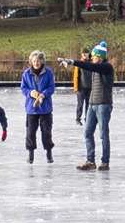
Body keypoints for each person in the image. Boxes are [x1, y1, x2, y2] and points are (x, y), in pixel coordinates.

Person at [62, 42, 114, 170]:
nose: (91, 58)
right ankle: (90, 161)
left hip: (103, 105)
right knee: (87, 132)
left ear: (100, 57)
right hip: (92, 104)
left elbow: (90, 66)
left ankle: (105, 162)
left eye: (94, 56)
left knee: (103, 134)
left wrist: (73, 62)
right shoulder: (95, 67)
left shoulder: (106, 67)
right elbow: (87, 67)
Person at [20, 51, 55, 164]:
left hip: (45, 108)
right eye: (34, 61)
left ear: (42, 61)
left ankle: (49, 152)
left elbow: (51, 87)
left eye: (38, 61)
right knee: (30, 132)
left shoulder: (48, 73)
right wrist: (31, 93)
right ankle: (31, 154)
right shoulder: (26, 74)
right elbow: (23, 88)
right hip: (31, 108)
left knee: (46, 132)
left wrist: (43, 94)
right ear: (31, 62)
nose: (36, 63)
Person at [73, 48, 92, 125]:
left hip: (90, 88)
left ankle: (87, 118)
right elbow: (75, 76)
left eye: (85, 53)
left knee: (89, 104)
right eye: (83, 53)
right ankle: (78, 119)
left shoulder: (92, 63)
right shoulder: (79, 63)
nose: (84, 54)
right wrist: (76, 88)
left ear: (88, 54)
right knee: (80, 104)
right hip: (81, 88)